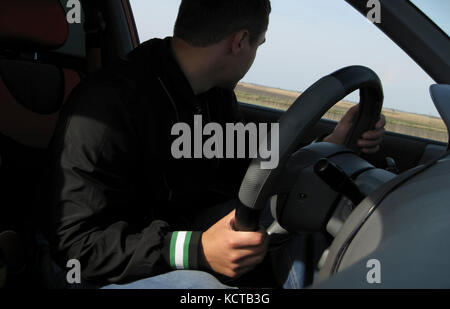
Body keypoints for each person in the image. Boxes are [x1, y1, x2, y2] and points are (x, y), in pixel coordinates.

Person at [45, 0, 386, 289]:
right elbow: (75, 246)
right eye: (258, 44)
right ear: (239, 42)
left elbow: (247, 171)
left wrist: (328, 144)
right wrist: (196, 249)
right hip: (98, 266)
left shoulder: (214, 96)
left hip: (173, 230)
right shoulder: (106, 106)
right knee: (203, 289)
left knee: (298, 211)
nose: (255, 54)